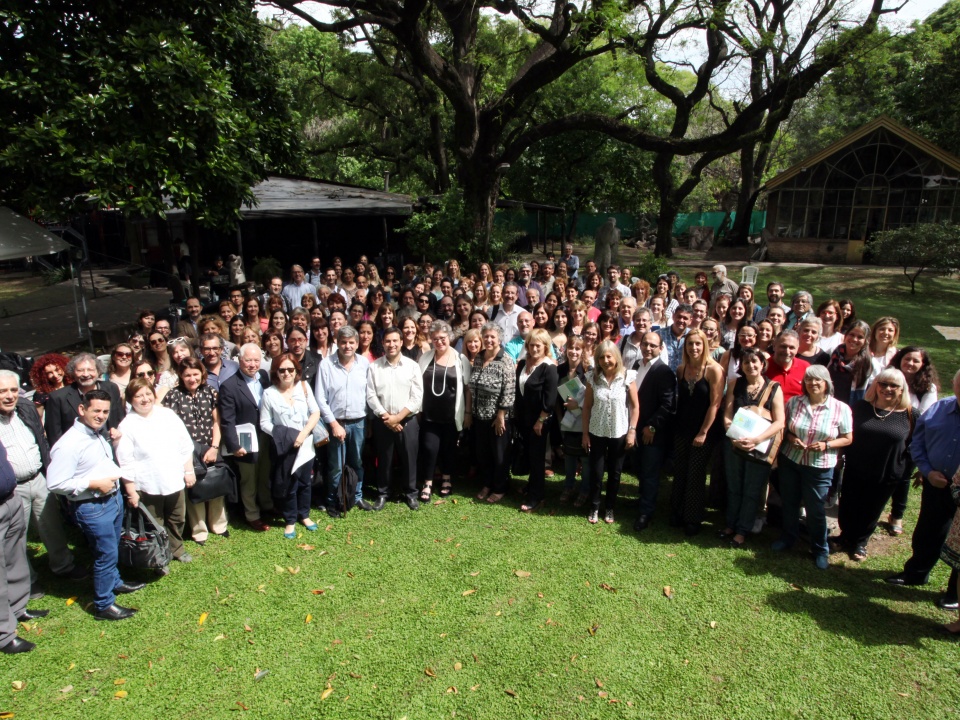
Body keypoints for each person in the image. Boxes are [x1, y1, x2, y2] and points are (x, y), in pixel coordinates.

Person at [46, 389, 143, 621]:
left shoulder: (96, 433)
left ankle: (115, 582)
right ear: (82, 409)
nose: (101, 415)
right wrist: (93, 484)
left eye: (105, 411)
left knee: (112, 547)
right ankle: (103, 604)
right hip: (92, 505)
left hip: (112, 500)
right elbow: (55, 483)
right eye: (96, 410)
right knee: (105, 553)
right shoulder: (69, 444)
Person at [0, 370, 87, 595]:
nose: (9, 396)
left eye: (12, 390)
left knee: (51, 525)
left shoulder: (25, 408)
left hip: (38, 478)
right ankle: (26, 580)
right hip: (12, 488)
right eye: (2, 391)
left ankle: (63, 566)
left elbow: (41, 439)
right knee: (17, 537)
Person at [886, 369, 960, 610]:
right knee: (929, 529)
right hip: (937, 483)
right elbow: (917, 441)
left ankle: (954, 593)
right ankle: (916, 573)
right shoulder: (939, 409)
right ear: (954, 384)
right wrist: (928, 471)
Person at [773, 365, 853, 570]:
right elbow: (786, 429)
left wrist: (826, 445)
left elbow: (847, 438)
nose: (813, 383)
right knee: (789, 502)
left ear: (827, 383)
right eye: (809, 380)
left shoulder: (840, 408)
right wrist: (792, 439)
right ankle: (788, 538)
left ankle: (820, 549)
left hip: (819, 465)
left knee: (815, 508)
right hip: (791, 460)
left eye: (818, 380)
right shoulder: (795, 403)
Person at [832, 368, 913, 562]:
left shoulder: (910, 414)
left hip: (887, 471)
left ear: (902, 390)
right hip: (856, 466)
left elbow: (915, 444)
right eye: (883, 384)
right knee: (849, 503)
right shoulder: (861, 407)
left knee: (871, 508)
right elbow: (847, 433)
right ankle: (845, 537)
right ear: (875, 386)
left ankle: (860, 542)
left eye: (894, 386)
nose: (887, 389)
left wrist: (908, 469)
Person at [116, 378, 194, 570]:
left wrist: (189, 470)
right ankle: (159, 556)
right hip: (148, 483)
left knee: (177, 518)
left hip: (174, 478)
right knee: (155, 523)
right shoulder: (126, 425)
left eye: (148, 393)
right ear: (130, 400)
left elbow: (185, 444)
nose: (145, 399)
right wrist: (131, 490)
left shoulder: (167, 415)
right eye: (139, 396)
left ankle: (177, 549)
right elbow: (125, 462)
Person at [720, 349, 784, 548]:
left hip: (759, 446)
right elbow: (727, 413)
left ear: (763, 364)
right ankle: (731, 524)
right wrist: (733, 436)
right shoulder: (735, 384)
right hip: (735, 444)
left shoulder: (774, 387)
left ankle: (742, 530)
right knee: (734, 486)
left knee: (751, 489)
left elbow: (780, 421)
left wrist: (757, 440)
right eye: (746, 362)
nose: (751, 365)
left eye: (755, 361)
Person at [162, 357, 226, 546]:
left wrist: (214, 447)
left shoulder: (211, 392)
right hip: (186, 449)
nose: (192, 378)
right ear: (181, 376)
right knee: (194, 487)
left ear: (202, 373)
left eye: (195, 374)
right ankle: (199, 530)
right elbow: (169, 426)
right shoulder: (173, 396)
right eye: (187, 375)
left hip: (209, 446)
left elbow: (217, 422)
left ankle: (219, 525)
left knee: (216, 483)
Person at [261, 354, 325, 538]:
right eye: (282, 370)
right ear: (276, 372)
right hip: (284, 447)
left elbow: (315, 412)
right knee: (289, 483)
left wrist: (303, 434)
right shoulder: (269, 393)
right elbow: (265, 422)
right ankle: (290, 520)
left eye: (290, 369)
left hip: (305, 444)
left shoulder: (303, 388)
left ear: (296, 371)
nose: (287, 373)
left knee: (305, 481)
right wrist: (285, 436)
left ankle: (304, 515)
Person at [670, 328, 724, 535]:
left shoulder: (713, 370)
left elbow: (715, 404)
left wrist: (703, 432)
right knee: (681, 471)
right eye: (690, 344)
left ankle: (692, 518)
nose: (694, 348)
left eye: (698, 344)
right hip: (682, 428)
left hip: (703, 431)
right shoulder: (681, 369)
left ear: (705, 345)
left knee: (696, 474)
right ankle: (677, 511)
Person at [315, 326, 373, 516]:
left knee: (356, 462)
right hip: (336, 422)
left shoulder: (364, 364)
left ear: (357, 344)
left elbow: (369, 394)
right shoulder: (326, 364)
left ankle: (356, 496)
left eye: (351, 342)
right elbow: (320, 398)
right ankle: (332, 500)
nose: (347, 346)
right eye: (343, 342)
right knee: (335, 466)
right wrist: (333, 424)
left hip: (359, 422)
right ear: (337, 343)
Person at [366, 327, 423, 511]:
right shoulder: (374, 367)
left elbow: (417, 397)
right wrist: (387, 417)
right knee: (384, 458)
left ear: (400, 342)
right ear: (383, 343)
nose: (391, 344)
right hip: (383, 420)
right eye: (388, 341)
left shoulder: (412, 366)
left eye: (395, 341)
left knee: (409, 458)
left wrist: (397, 418)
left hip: (407, 420)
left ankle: (411, 493)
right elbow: (371, 395)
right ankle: (383, 493)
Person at [581, 341, 639, 524]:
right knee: (597, 472)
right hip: (597, 431)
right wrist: (585, 433)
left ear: (616, 358)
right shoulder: (592, 378)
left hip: (619, 432)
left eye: (609, 356)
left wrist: (632, 430)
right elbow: (587, 407)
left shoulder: (627, 377)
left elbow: (635, 407)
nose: (606, 361)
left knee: (615, 472)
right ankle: (595, 505)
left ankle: (610, 507)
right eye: (601, 357)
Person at [219, 343, 273, 532]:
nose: (252, 364)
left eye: (256, 360)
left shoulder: (264, 378)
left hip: (265, 436)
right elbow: (227, 420)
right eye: (248, 360)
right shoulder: (229, 386)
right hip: (246, 440)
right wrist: (234, 445)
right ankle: (252, 514)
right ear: (240, 361)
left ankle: (266, 505)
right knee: (248, 479)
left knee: (264, 473)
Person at [417, 321, 472, 501]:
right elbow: (416, 385)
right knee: (429, 448)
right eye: (435, 339)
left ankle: (447, 478)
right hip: (429, 415)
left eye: (443, 338)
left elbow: (468, 388)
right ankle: (428, 482)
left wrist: (467, 413)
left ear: (449, 338)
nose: (439, 342)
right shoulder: (425, 357)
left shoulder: (460, 359)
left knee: (449, 448)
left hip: (452, 415)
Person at [633, 332, 677, 531]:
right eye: (645, 344)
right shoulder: (636, 366)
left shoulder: (664, 371)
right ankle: (642, 503)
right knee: (640, 469)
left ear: (660, 348)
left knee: (650, 473)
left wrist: (652, 427)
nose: (648, 348)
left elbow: (668, 405)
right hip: (636, 428)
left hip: (653, 432)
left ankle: (646, 513)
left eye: (653, 345)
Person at [471, 323, 516, 504]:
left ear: (499, 339)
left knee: (499, 455)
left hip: (498, 418)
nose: (489, 340)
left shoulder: (505, 360)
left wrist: (501, 415)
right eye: (486, 336)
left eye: (492, 337)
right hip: (478, 415)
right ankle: (488, 483)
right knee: (483, 453)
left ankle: (500, 487)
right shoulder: (479, 358)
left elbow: (509, 391)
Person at [514, 329, 558, 513]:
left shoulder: (549, 367)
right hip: (523, 418)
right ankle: (531, 485)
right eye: (531, 345)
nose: (534, 348)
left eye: (538, 345)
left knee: (537, 458)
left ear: (545, 346)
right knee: (529, 455)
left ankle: (536, 496)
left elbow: (550, 400)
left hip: (540, 420)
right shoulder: (523, 363)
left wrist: (540, 420)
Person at [44, 353, 125, 446]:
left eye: (90, 370)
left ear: (98, 371)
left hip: (112, 447)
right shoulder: (58, 398)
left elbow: (120, 418)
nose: (86, 374)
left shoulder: (111, 388)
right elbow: (54, 436)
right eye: (80, 370)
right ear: (73, 372)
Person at [765, 330, 809, 402]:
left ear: (797, 349)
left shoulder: (806, 368)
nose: (787, 351)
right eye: (783, 346)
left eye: (792, 348)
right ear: (774, 346)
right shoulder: (763, 367)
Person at [28, 352, 69, 422]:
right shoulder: (42, 394)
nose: (55, 375)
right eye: (50, 373)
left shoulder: (74, 385)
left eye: (57, 370)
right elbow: (38, 418)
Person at [658, 303, 693, 372]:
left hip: (684, 378)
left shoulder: (693, 336)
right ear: (673, 316)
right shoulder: (659, 335)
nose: (681, 320)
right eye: (679, 317)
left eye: (685, 318)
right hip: (663, 376)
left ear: (690, 321)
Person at [867, 316, 900, 388]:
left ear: (895, 334)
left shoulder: (897, 355)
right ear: (875, 331)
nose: (886, 332)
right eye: (882, 329)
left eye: (890, 330)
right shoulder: (864, 350)